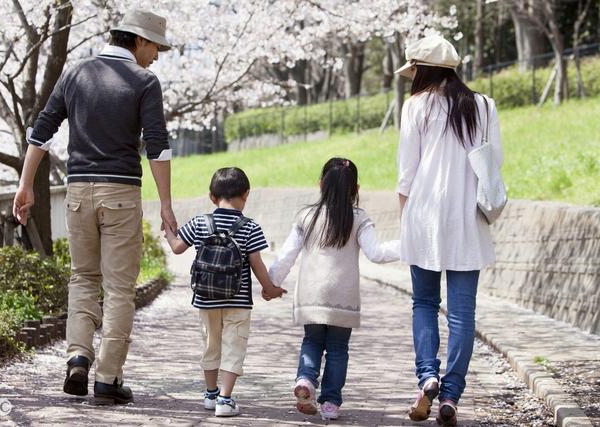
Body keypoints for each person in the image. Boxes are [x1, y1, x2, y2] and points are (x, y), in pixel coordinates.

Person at [12, 10, 178, 405]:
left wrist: (25, 185)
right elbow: (156, 144)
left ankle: (77, 357)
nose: (156, 55)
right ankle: (107, 378)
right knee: (120, 288)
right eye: (155, 46)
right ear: (138, 41)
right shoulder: (144, 81)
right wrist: (167, 205)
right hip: (121, 193)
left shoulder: (76, 73)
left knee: (82, 279)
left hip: (77, 193)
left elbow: (43, 128)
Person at [394, 35, 503, 426]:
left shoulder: (416, 106)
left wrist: (405, 220)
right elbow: (495, 163)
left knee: (423, 303)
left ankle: (427, 377)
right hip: (467, 220)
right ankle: (451, 394)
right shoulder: (485, 105)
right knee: (462, 313)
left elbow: (407, 173)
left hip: (424, 216)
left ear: (421, 71)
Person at [268, 158, 400, 421]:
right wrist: (409, 243)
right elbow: (376, 253)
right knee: (338, 349)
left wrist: (272, 283)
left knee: (312, 341)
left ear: (320, 185)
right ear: (356, 188)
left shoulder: (306, 216)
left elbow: (286, 255)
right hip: (344, 297)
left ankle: (305, 380)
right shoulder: (359, 218)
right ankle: (330, 403)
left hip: (311, 295)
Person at [165, 167, 287, 417]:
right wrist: (269, 289)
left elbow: (177, 247)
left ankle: (210, 395)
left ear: (212, 196)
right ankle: (225, 398)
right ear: (246, 195)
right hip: (238, 300)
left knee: (211, 345)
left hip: (205, 299)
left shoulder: (201, 222)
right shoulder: (250, 227)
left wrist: (168, 229)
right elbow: (257, 263)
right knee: (234, 347)